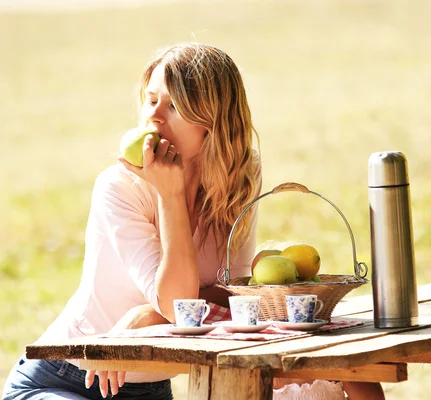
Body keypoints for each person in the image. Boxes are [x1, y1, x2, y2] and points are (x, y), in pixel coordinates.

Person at [2, 42, 261, 400]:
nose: (155, 116)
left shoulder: (239, 179)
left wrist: (146, 316)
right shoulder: (119, 186)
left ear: (214, 123)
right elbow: (177, 305)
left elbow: (238, 295)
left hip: (150, 388)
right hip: (65, 377)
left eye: (174, 106)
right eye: (151, 100)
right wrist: (169, 196)